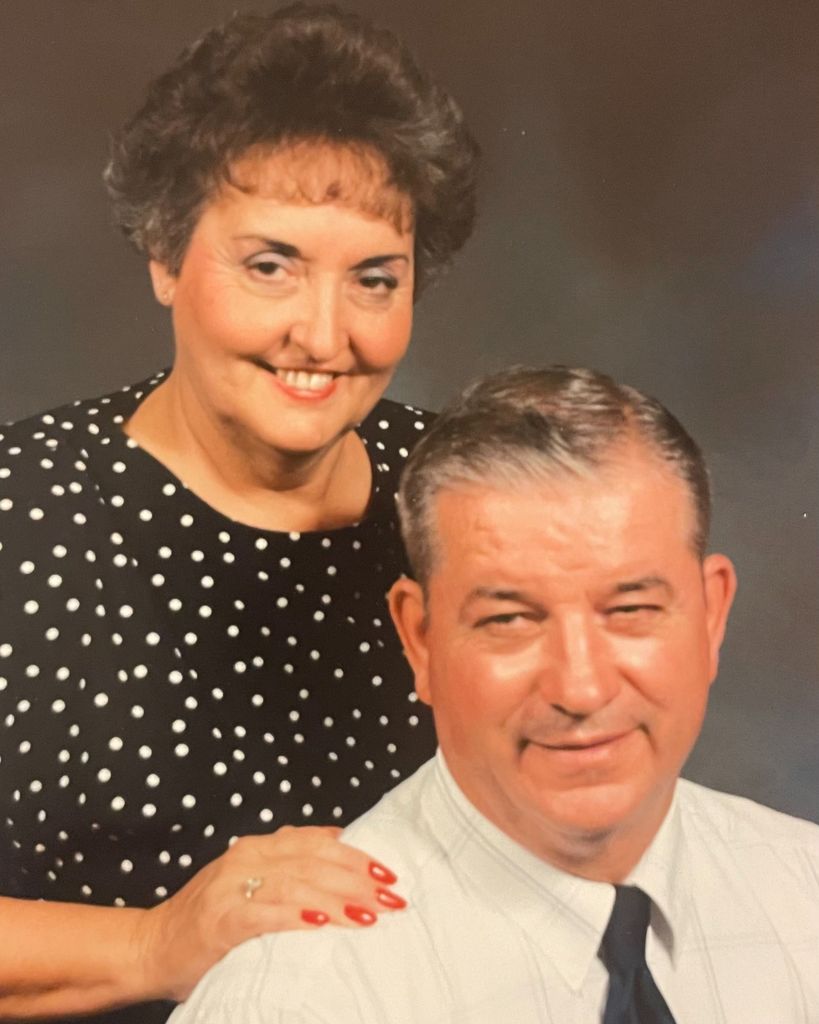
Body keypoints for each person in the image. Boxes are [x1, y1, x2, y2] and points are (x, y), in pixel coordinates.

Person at [0, 6, 479, 1022]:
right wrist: (153, 942)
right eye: (271, 266)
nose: (324, 334)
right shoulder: (20, 509)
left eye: (374, 280)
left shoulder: (469, 496)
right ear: (165, 255)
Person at [170, 366, 819, 1023]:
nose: (581, 688)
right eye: (509, 620)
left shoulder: (805, 890)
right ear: (419, 640)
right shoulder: (296, 999)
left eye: (630, 610)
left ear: (710, 615)